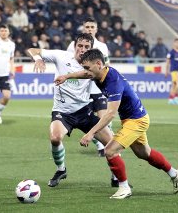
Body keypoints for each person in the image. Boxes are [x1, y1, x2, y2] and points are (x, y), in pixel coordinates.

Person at [55, 49, 178, 199]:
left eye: (87, 68)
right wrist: (66, 76)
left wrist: (91, 133)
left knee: (110, 150)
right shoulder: (97, 72)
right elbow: (85, 74)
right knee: (144, 153)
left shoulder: (113, 81)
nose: (86, 71)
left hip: (137, 120)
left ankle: (124, 188)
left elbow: (110, 114)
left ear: (98, 64)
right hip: (131, 119)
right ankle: (175, 174)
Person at [27, 33, 121, 188]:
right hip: (62, 112)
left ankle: (116, 178)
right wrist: (38, 59)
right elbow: (32, 50)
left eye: (86, 47)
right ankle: (61, 169)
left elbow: (107, 81)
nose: (82, 50)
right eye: (80, 46)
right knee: (55, 138)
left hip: (85, 111)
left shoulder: (93, 66)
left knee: (112, 143)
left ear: (91, 49)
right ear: (75, 46)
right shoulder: (61, 56)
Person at [67, 17, 110, 157]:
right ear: (83, 28)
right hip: (83, 91)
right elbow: (68, 64)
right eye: (87, 27)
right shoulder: (73, 45)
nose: (90, 29)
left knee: (103, 120)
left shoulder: (102, 47)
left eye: (92, 27)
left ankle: (108, 145)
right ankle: (99, 144)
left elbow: (106, 66)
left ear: (96, 29)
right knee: (87, 121)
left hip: (98, 89)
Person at [165, 39, 178, 105]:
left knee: (175, 85)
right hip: (173, 70)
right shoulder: (171, 52)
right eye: (176, 43)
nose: (177, 44)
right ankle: (174, 98)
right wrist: (166, 71)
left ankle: (171, 99)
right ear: (174, 44)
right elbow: (167, 62)